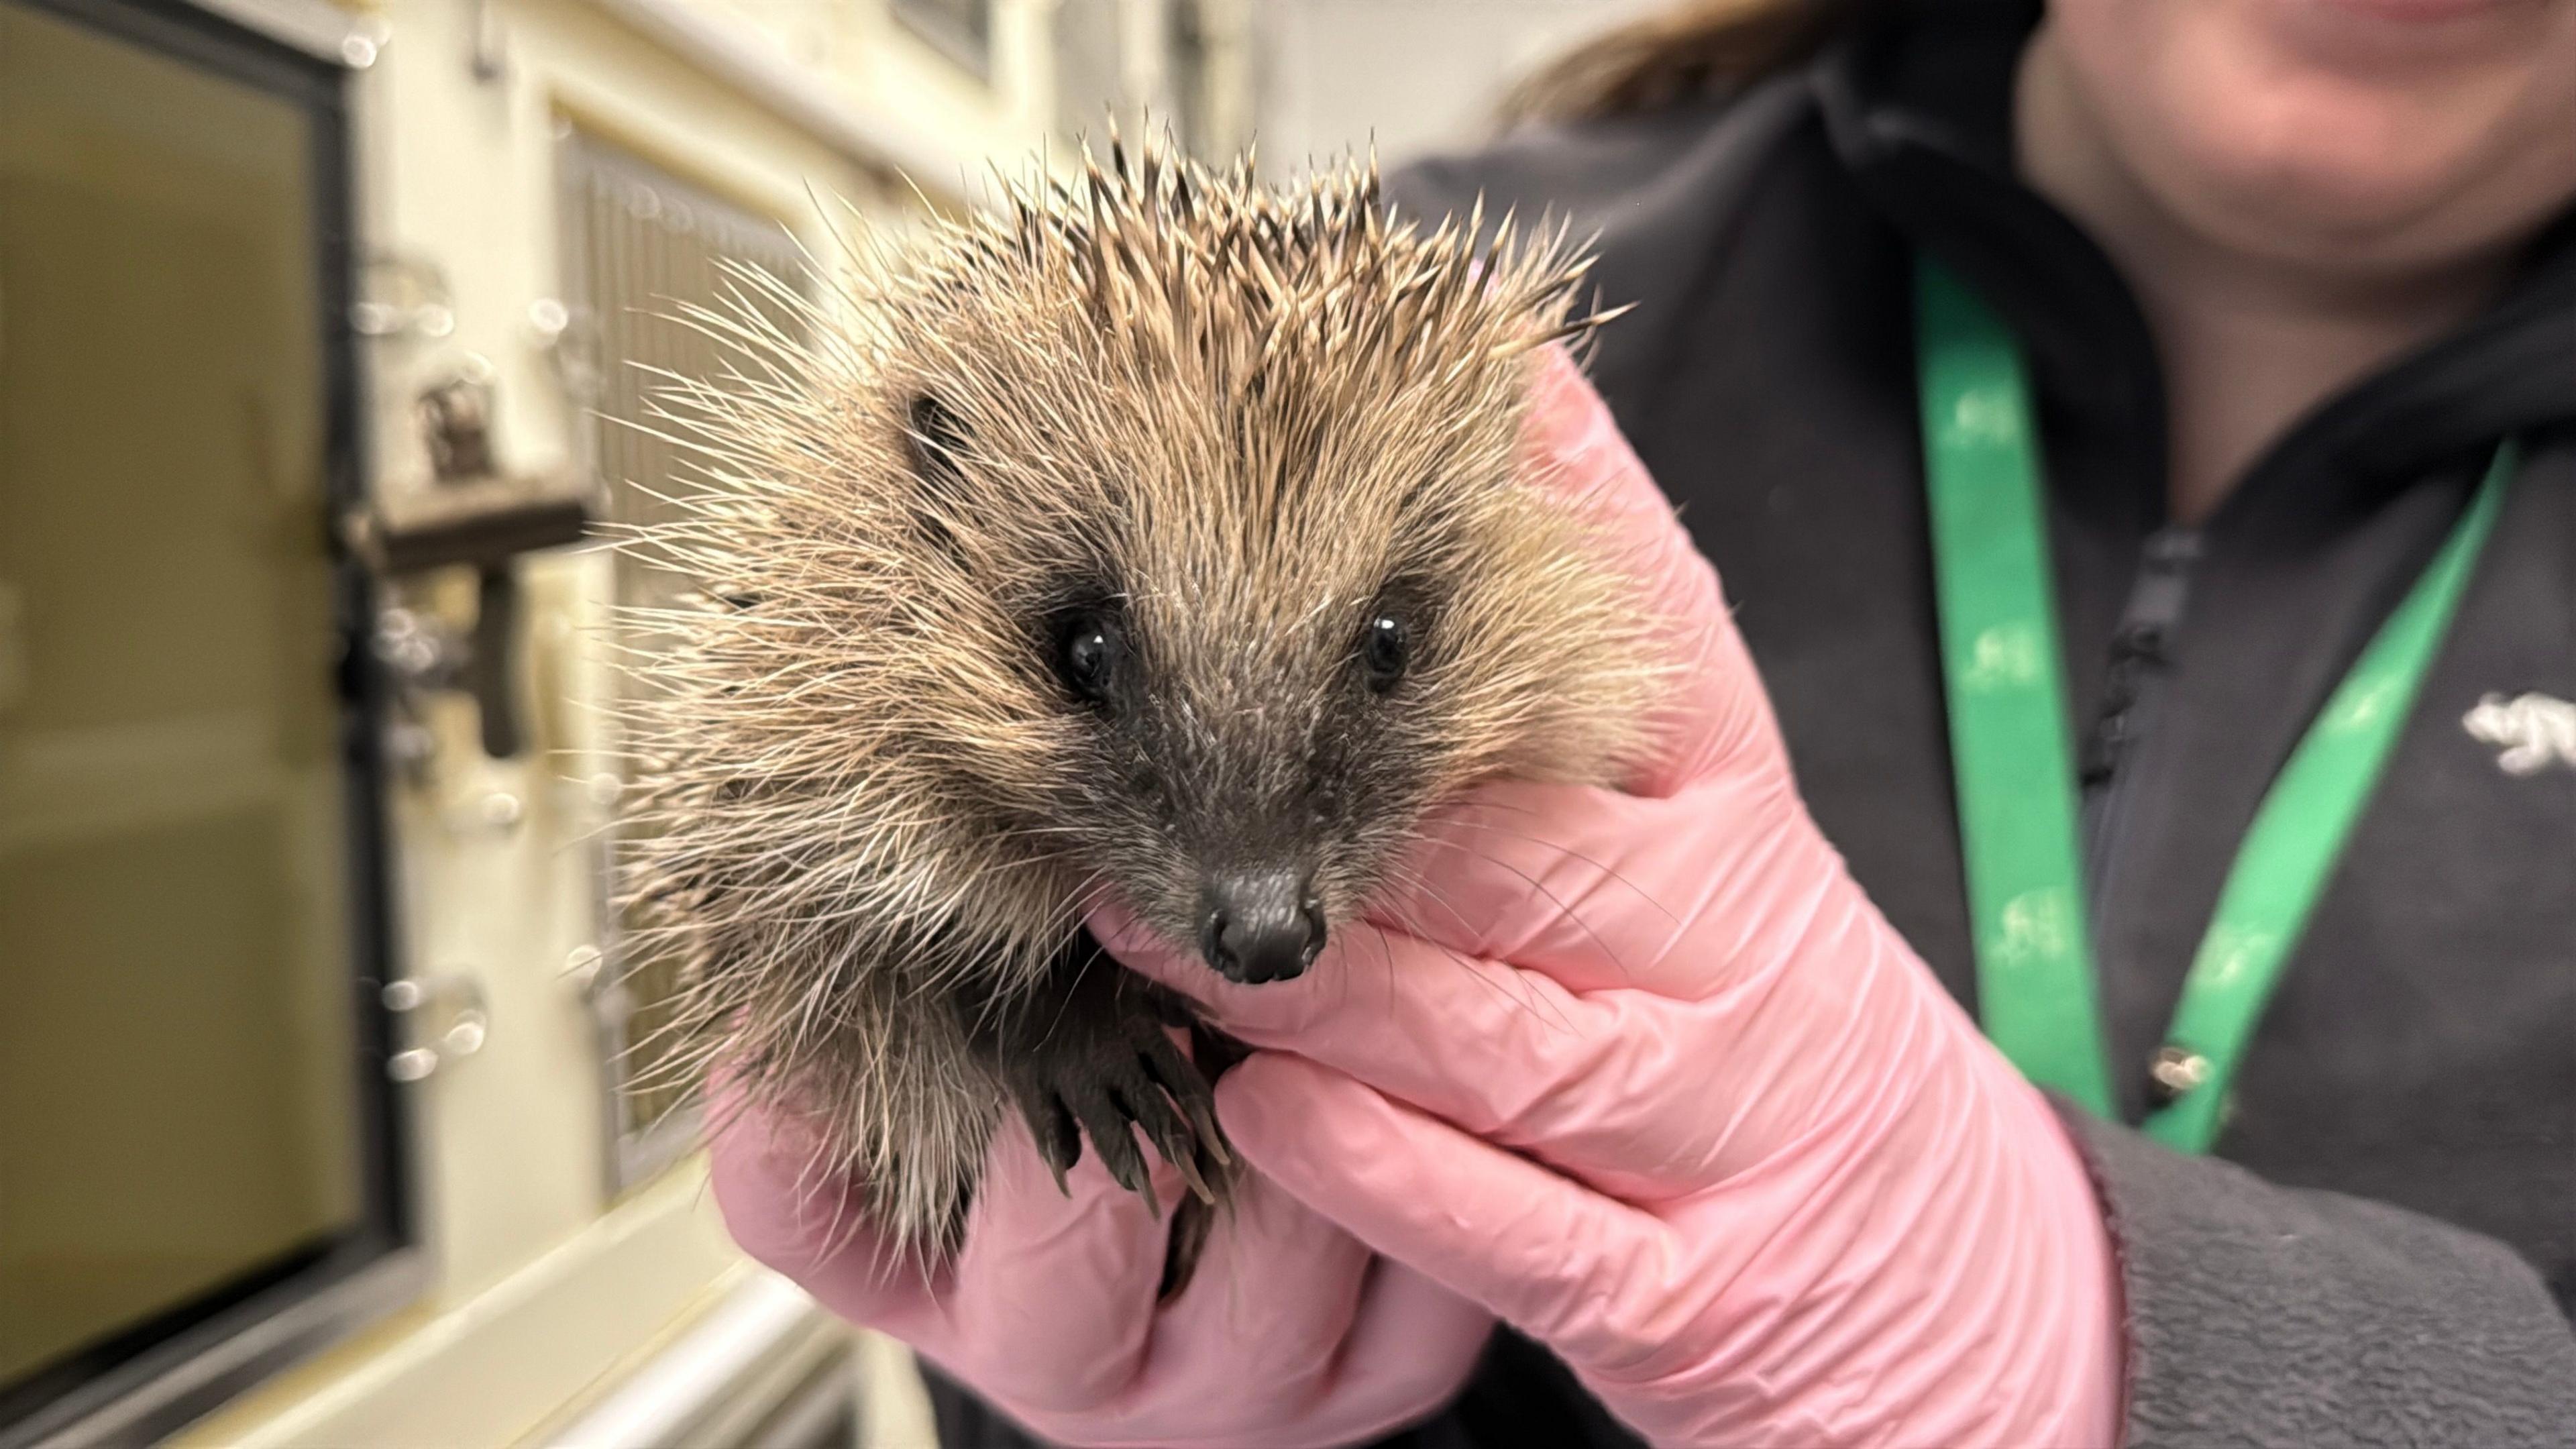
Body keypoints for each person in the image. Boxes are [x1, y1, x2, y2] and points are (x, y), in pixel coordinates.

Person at [709, 0, 2576, 1442]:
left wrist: (2167, 1358)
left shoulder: (1469, 432)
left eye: (1379, 654)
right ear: (932, 505)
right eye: (1092, 664)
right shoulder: (1456, 271)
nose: (1264, 909)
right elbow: (928, 1177)